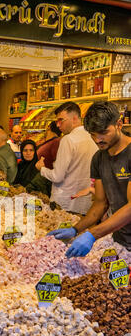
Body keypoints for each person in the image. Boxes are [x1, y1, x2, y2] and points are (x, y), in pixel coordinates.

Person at [48, 101, 131, 257]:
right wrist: (76, 229)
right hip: (121, 240)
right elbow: (100, 203)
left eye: (104, 132)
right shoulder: (99, 158)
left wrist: (93, 234)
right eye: (93, 134)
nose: (98, 139)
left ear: (119, 124)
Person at [35, 101, 98, 214]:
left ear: (74, 118)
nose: (58, 125)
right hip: (86, 204)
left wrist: (42, 169)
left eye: (61, 120)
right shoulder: (93, 137)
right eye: (56, 121)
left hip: (65, 204)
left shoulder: (68, 140)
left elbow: (57, 176)